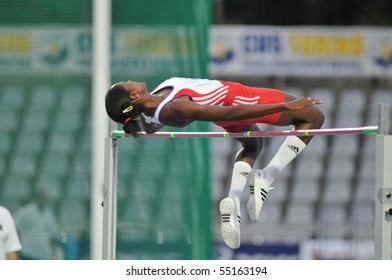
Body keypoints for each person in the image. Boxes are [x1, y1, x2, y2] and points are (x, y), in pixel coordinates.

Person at [105, 77, 325, 249]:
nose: (130, 80)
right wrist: (286, 107)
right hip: (237, 100)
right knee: (313, 118)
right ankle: (266, 176)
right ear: (134, 94)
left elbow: (148, 124)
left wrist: (130, 122)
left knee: (252, 146)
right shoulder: (174, 109)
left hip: (224, 108)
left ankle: (234, 199)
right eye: (126, 83)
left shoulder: (153, 109)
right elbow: (232, 111)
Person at [13, 188, 60, 259]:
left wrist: (54, 252)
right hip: (27, 252)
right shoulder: (26, 211)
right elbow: (14, 226)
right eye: (41, 196)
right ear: (37, 197)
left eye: (44, 197)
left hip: (43, 254)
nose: (43, 199)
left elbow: (52, 235)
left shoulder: (49, 214)